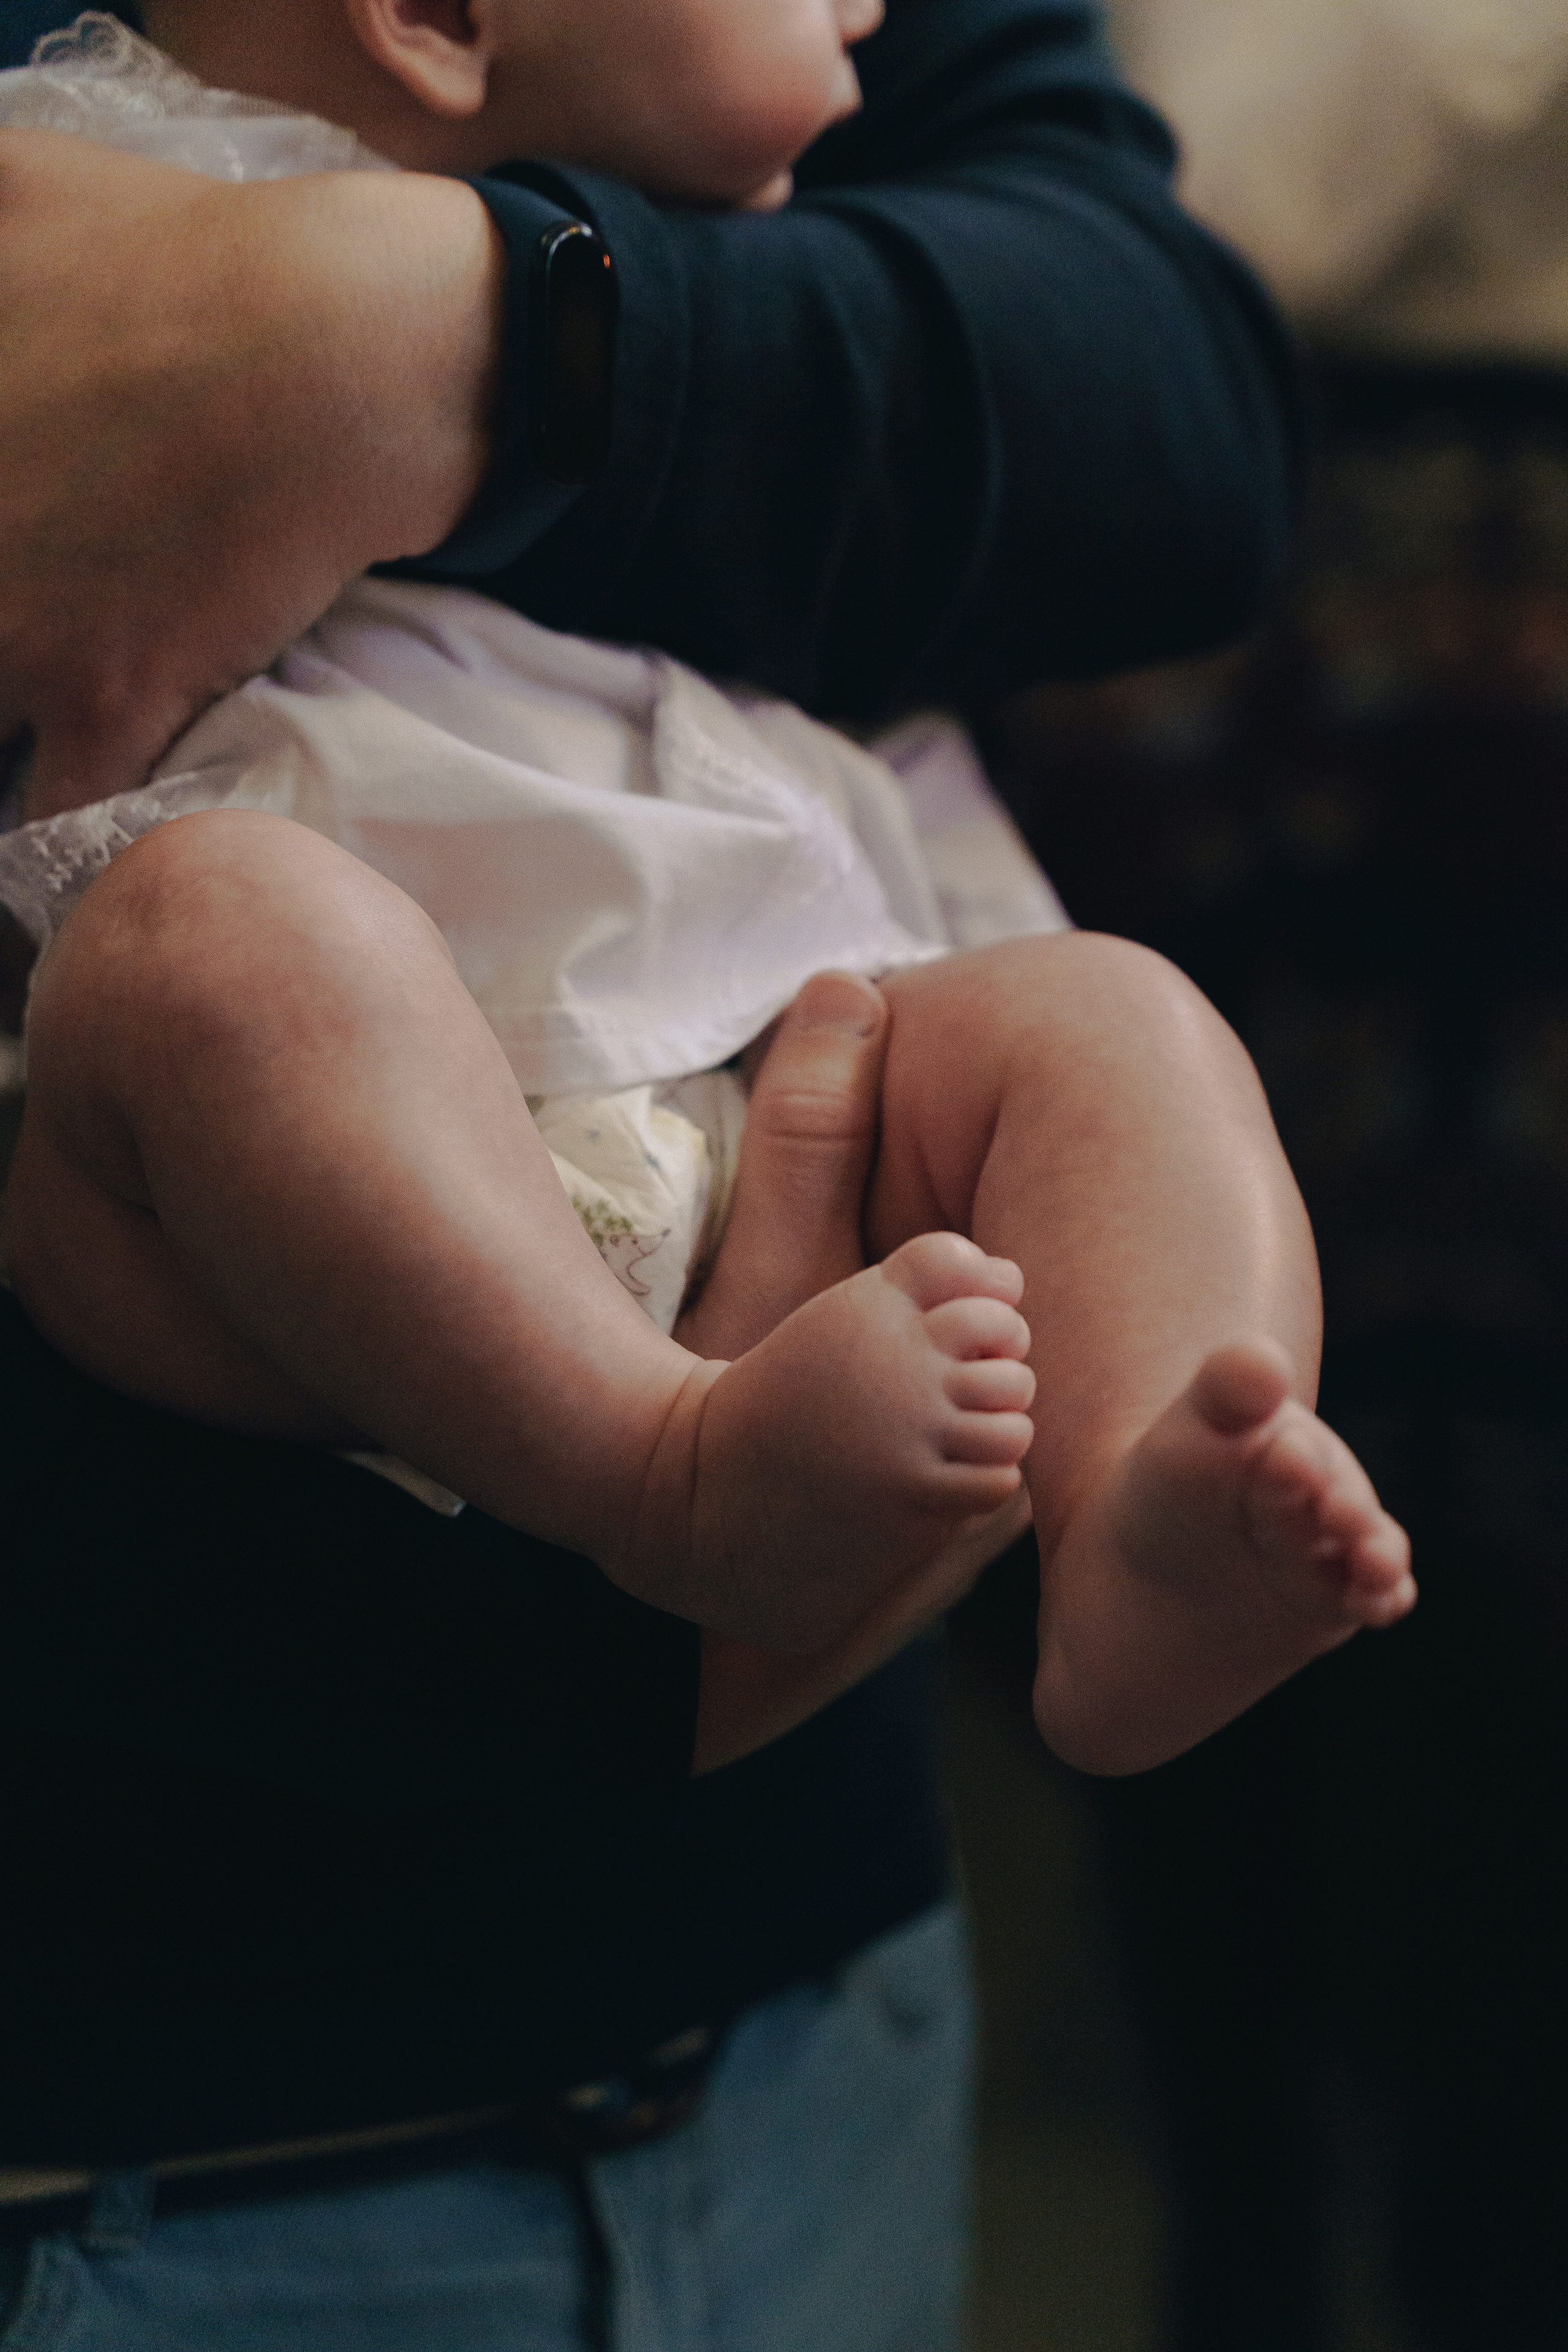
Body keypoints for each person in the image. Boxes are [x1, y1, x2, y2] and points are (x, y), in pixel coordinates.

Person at [0, 2, 1313, 2345]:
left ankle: (1140, 1514)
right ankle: (665, 1466)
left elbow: (1169, 390)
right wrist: (621, 1660)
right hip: (306, 1185)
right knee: (219, 951)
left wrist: (480, 324)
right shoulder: (101, 150)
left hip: (752, 1075)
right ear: (440, 19)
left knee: (1113, 1027)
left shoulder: (678, 164)